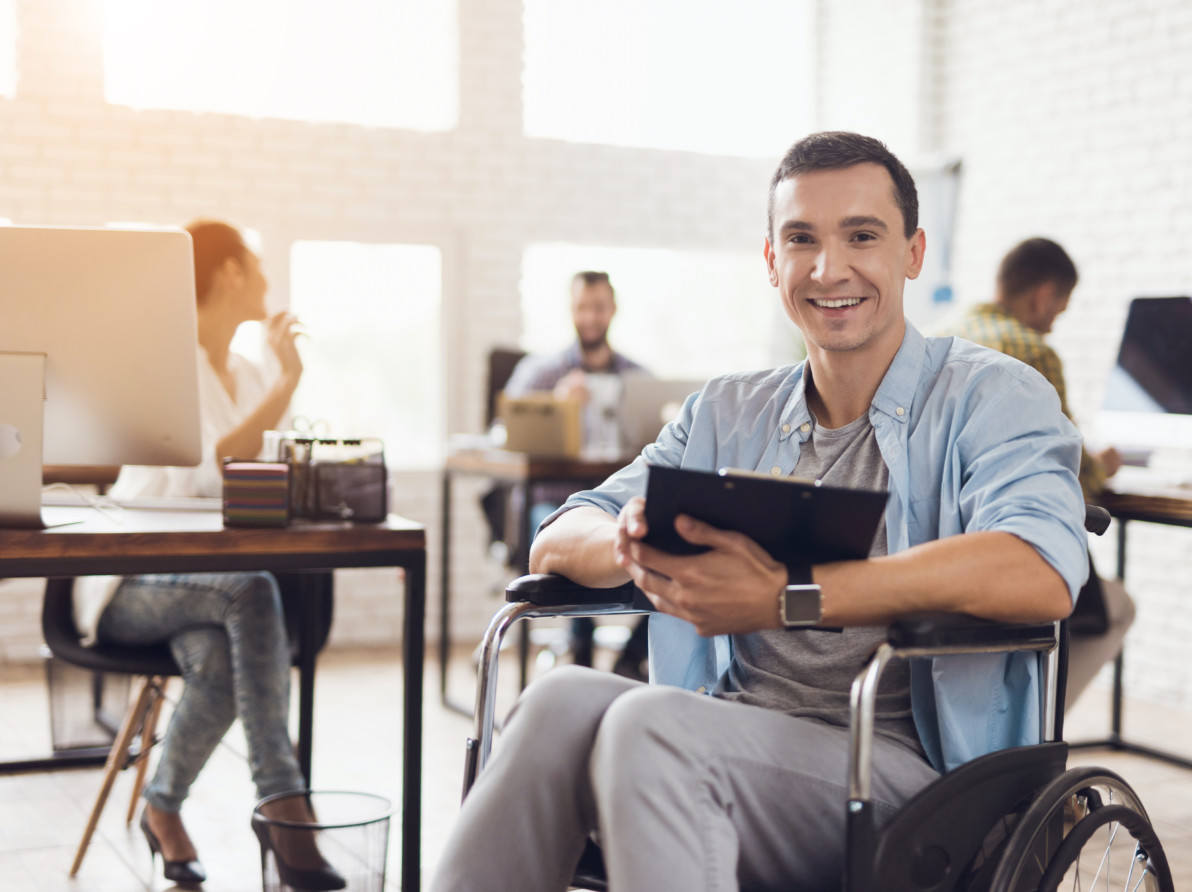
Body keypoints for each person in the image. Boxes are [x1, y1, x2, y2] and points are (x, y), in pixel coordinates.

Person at [431, 132, 1088, 892]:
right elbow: (560, 533)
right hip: (730, 729)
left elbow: (1039, 568)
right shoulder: (726, 411)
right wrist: (644, 541)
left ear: (912, 252)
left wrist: (788, 596)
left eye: (862, 237)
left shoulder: (993, 396)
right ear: (772, 261)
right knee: (554, 701)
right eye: (801, 239)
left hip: (911, 780)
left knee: (648, 728)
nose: (828, 268)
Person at [72, 220, 344, 890]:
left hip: (206, 587)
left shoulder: (248, 373)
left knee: (224, 655)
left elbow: (267, 470)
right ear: (225, 271)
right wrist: (289, 382)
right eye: (256, 263)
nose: (265, 279)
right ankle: (283, 800)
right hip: (130, 586)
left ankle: (161, 810)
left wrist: (281, 392)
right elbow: (213, 466)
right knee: (251, 590)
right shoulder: (163, 361)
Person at [931, 237, 1134, 708]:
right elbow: (1065, 469)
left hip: (940, 537)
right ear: (1042, 295)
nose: (1053, 324)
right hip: (1005, 546)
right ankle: (1035, 728)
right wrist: (1101, 464)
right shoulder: (1031, 350)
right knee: (1115, 608)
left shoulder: (940, 335)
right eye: (1058, 310)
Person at [501, 270, 650, 676]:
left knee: (668, 542)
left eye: (598, 307)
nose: (590, 317)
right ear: (572, 310)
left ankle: (632, 656)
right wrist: (557, 406)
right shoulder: (541, 374)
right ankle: (580, 649)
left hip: (615, 504)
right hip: (552, 501)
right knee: (564, 536)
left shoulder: (638, 379)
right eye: (583, 307)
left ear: (612, 310)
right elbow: (506, 432)